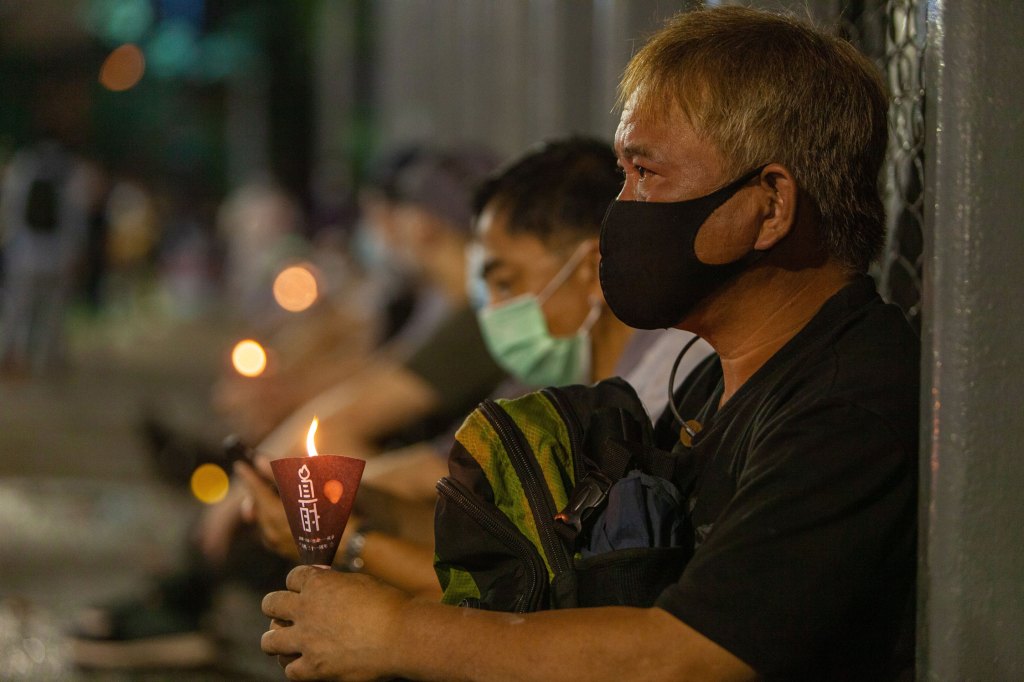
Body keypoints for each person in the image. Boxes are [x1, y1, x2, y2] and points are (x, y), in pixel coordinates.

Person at [260, 7, 919, 682]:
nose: (618, 212)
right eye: (622, 173)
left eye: (646, 174)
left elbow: (687, 655)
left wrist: (399, 634)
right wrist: (365, 517)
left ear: (771, 205)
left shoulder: (844, 404)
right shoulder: (713, 380)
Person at [239, 136, 711, 596]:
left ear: (589, 268)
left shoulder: (660, 394)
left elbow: (532, 587)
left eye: (506, 283)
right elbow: (469, 515)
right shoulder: (561, 378)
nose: (493, 314)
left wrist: (352, 542)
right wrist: (344, 501)